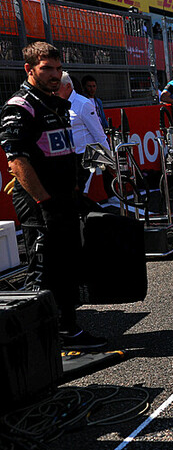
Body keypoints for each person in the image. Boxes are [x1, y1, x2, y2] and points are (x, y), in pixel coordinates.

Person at [1, 42, 106, 349]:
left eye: (58, 68)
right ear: (29, 69)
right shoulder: (20, 106)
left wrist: (72, 192)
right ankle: (33, 342)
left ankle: (68, 327)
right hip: (40, 202)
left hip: (62, 197)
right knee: (44, 268)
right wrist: (44, 201)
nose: (55, 75)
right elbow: (16, 162)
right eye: (47, 68)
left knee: (67, 264)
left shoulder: (54, 103)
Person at [57, 71, 108, 191]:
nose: (53, 91)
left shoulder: (83, 104)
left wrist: (108, 159)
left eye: (57, 87)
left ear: (67, 86)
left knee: (78, 192)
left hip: (82, 157)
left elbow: (98, 133)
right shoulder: (57, 104)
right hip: (65, 157)